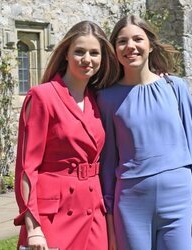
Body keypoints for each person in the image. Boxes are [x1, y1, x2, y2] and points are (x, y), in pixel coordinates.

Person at [97, 15, 192, 250]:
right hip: (131, 204)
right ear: (114, 49)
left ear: (150, 45)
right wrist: (109, 219)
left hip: (179, 200)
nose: (130, 46)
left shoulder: (175, 88)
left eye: (137, 39)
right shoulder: (106, 98)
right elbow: (108, 162)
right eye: (122, 41)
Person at [14, 20, 119, 250]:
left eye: (94, 53)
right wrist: (33, 228)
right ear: (66, 54)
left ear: (103, 59)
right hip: (54, 215)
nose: (87, 59)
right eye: (79, 51)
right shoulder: (43, 96)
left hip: (93, 212)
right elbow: (27, 167)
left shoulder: (98, 99)